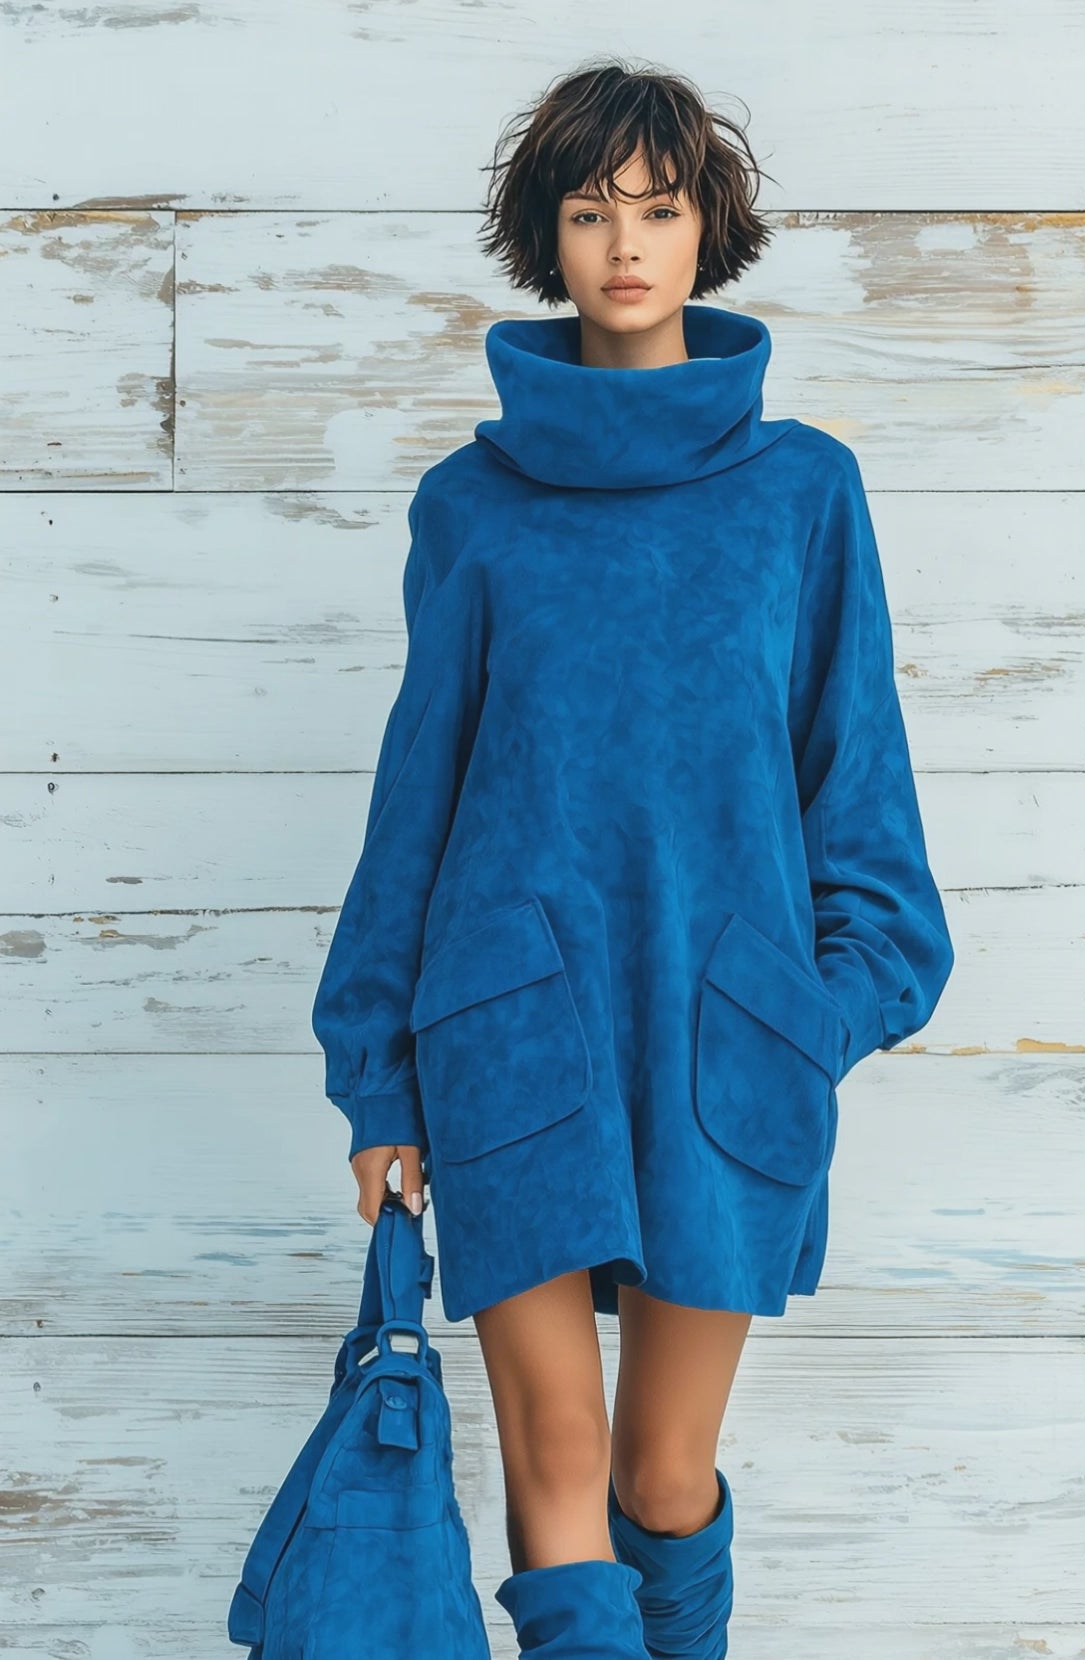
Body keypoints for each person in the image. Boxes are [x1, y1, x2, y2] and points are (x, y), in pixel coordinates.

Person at [310, 56, 955, 1660]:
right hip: (507, 1027)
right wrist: (379, 1080)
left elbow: (861, 808)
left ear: (706, 229)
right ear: (546, 234)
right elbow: (416, 805)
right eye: (590, 212)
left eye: (657, 211)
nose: (624, 246)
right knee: (557, 1458)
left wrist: (811, 1015)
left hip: (726, 1036)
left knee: (662, 1478)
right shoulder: (472, 508)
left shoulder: (802, 492)